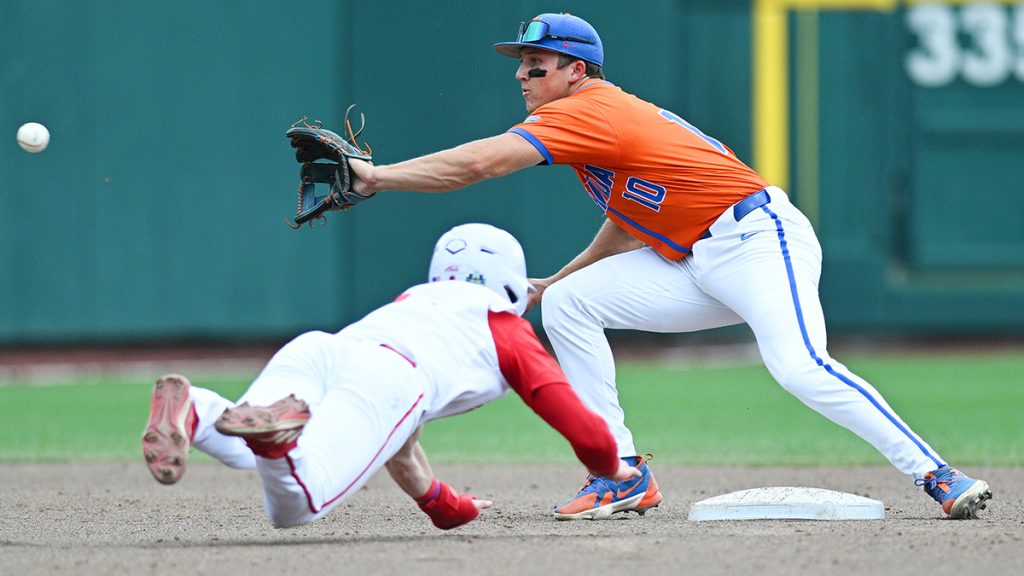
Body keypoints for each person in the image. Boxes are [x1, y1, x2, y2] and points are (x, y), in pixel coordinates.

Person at [342, 13, 993, 520]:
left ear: (575, 69)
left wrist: (376, 178)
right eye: (521, 65)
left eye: (535, 64)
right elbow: (630, 220)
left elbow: (478, 164)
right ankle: (621, 475)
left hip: (761, 241)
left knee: (799, 366)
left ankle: (937, 474)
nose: (522, 75)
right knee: (572, 306)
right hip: (696, 261)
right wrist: (556, 283)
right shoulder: (596, 125)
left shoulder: (588, 110)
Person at [141, 223, 640, 530]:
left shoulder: (413, 303)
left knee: (235, 441)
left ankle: (195, 409)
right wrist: (613, 465)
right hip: (389, 381)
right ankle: (277, 442)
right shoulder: (503, 330)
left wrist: (448, 507)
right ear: (511, 281)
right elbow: (577, 418)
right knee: (295, 506)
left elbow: (398, 445)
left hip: (322, 349)